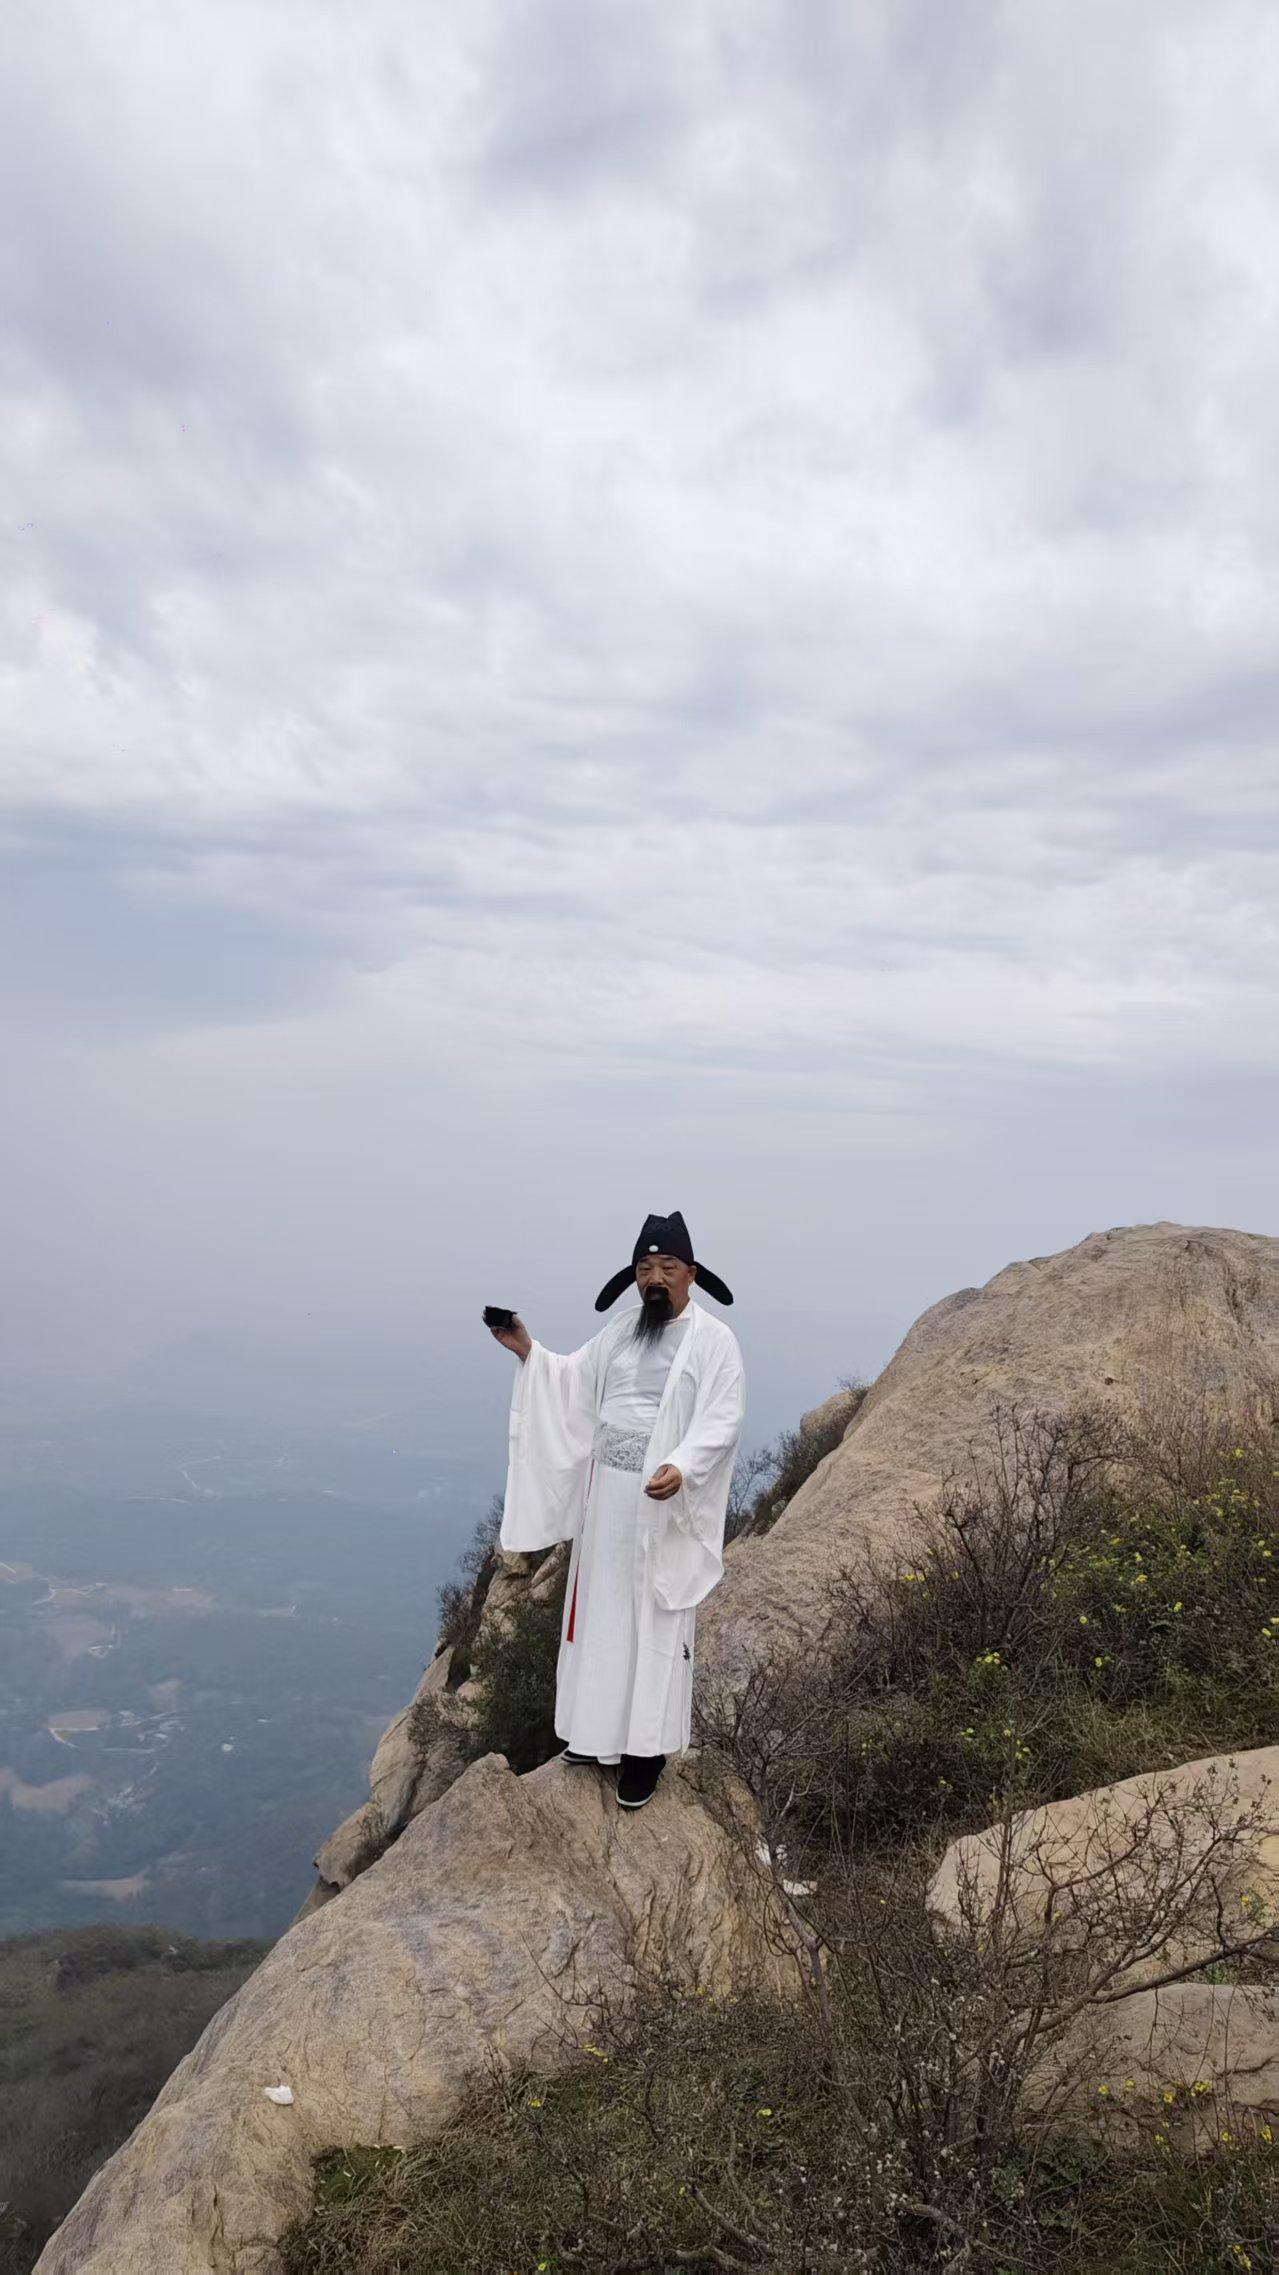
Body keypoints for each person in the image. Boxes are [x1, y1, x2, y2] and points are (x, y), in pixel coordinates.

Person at [484, 1212, 744, 1809]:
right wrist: (526, 1349)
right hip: (608, 1499)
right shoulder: (622, 1331)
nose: (655, 1278)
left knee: (650, 1618)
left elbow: (723, 1419)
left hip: (662, 1500)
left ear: (691, 1275)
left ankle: (645, 1752)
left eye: (667, 1268)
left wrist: (683, 1466)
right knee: (599, 1612)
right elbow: (574, 1383)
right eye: (645, 1268)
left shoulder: (714, 1341)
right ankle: (594, 1735)